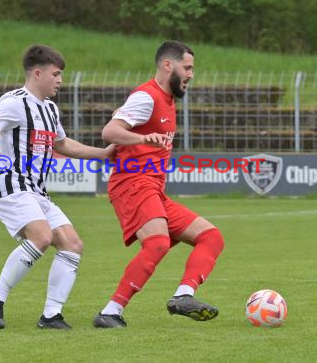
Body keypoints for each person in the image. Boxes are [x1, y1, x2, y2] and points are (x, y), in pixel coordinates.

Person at [0, 44, 114, 330]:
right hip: (14, 187)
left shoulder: (50, 109)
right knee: (41, 235)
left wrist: (103, 154)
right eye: (57, 74)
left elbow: (62, 144)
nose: (60, 80)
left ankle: (51, 316)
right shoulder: (14, 101)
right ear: (38, 73)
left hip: (37, 192)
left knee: (73, 245)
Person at [93, 40, 225, 328]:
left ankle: (183, 296)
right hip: (132, 183)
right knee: (157, 244)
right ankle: (110, 312)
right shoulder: (147, 97)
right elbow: (110, 131)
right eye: (187, 68)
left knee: (211, 237)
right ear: (168, 65)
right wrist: (141, 138)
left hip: (153, 188)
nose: (191, 74)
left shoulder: (168, 100)